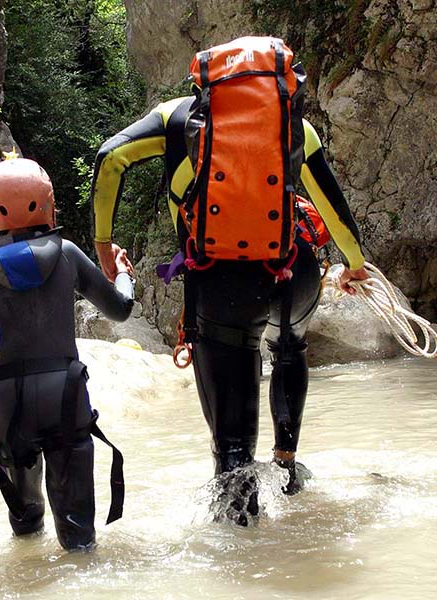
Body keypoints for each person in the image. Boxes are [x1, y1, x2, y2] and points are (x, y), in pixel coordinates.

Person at [90, 56, 369, 523]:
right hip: (292, 271)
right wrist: (355, 264)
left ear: (207, 81)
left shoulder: (174, 118)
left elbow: (110, 158)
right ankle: (286, 466)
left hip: (221, 283)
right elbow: (333, 208)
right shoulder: (293, 125)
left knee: (233, 451)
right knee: (289, 346)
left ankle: (239, 534)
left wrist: (102, 244)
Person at [0, 156, 134, 550]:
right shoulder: (68, 254)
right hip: (66, 395)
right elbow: (120, 309)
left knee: (25, 523)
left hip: (10, 406)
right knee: (78, 536)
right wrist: (124, 273)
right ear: (47, 203)